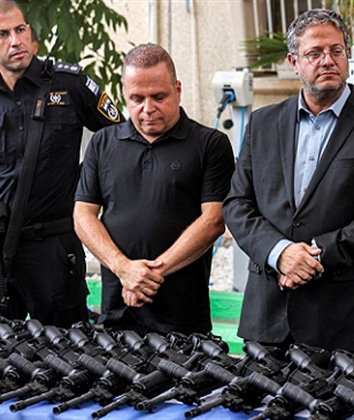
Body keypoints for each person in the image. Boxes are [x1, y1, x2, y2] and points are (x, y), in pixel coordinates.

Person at [223, 9, 354, 357]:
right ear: (294, 62)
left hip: (345, 320)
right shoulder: (263, 123)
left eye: (336, 51)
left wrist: (313, 257)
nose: (328, 60)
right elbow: (237, 204)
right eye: (314, 53)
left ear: (348, 55)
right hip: (268, 316)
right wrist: (279, 254)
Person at [0, 0, 121, 327]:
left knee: (66, 350)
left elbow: (121, 140)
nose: (16, 41)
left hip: (56, 250)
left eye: (20, 29)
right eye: (2, 34)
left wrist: (88, 191)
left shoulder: (71, 85)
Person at [74, 43, 235, 336]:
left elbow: (214, 221)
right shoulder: (103, 143)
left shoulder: (210, 145)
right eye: (137, 99)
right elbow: (83, 215)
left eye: (159, 97)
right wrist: (123, 269)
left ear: (178, 89)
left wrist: (147, 276)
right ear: (124, 94)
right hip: (117, 310)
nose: (148, 109)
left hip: (182, 317)